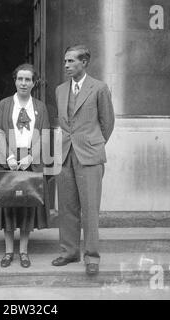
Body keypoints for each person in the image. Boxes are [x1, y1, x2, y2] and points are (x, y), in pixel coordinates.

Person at [52, 45, 115, 276]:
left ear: (84, 62)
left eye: (71, 61)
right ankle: (69, 252)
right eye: (65, 61)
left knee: (90, 209)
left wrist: (93, 145)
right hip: (65, 155)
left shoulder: (99, 88)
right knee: (67, 207)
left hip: (89, 156)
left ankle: (91, 257)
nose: (66, 65)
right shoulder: (59, 90)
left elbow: (107, 122)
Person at [0, 64, 50, 268]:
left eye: (28, 80)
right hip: (8, 161)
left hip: (29, 162)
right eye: (20, 79)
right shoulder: (4, 104)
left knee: (26, 205)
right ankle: (8, 252)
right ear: (15, 81)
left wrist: (31, 157)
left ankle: (23, 251)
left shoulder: (40, 107)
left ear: (34, 83)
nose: (23, 83)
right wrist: (7, 155)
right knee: (8, 204)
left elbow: (43, 134)